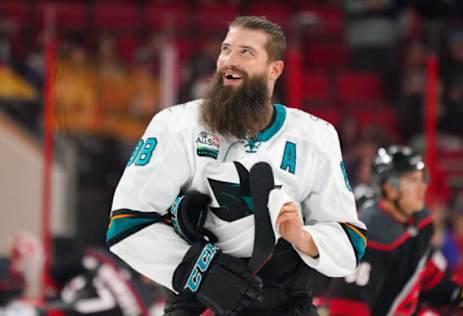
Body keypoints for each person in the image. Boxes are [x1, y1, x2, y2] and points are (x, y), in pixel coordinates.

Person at [106, 16, 366, 316]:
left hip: (285, 303)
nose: (229, 60)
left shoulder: (315, 136)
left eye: (246, 52)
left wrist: (303, 238)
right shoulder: (176, 126)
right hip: (199, 302)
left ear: (274, 69)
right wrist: (199, 272)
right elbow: (127, 225)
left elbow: (348, 246)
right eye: (226, 49)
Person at [328, 145, 463, 316]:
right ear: (389, 188)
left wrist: (460, 294)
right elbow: (348, 307)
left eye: (422, 179)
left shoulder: (415, 223)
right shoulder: (370, 236)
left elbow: (424, 273)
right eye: (413, 180)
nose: (422, 187)